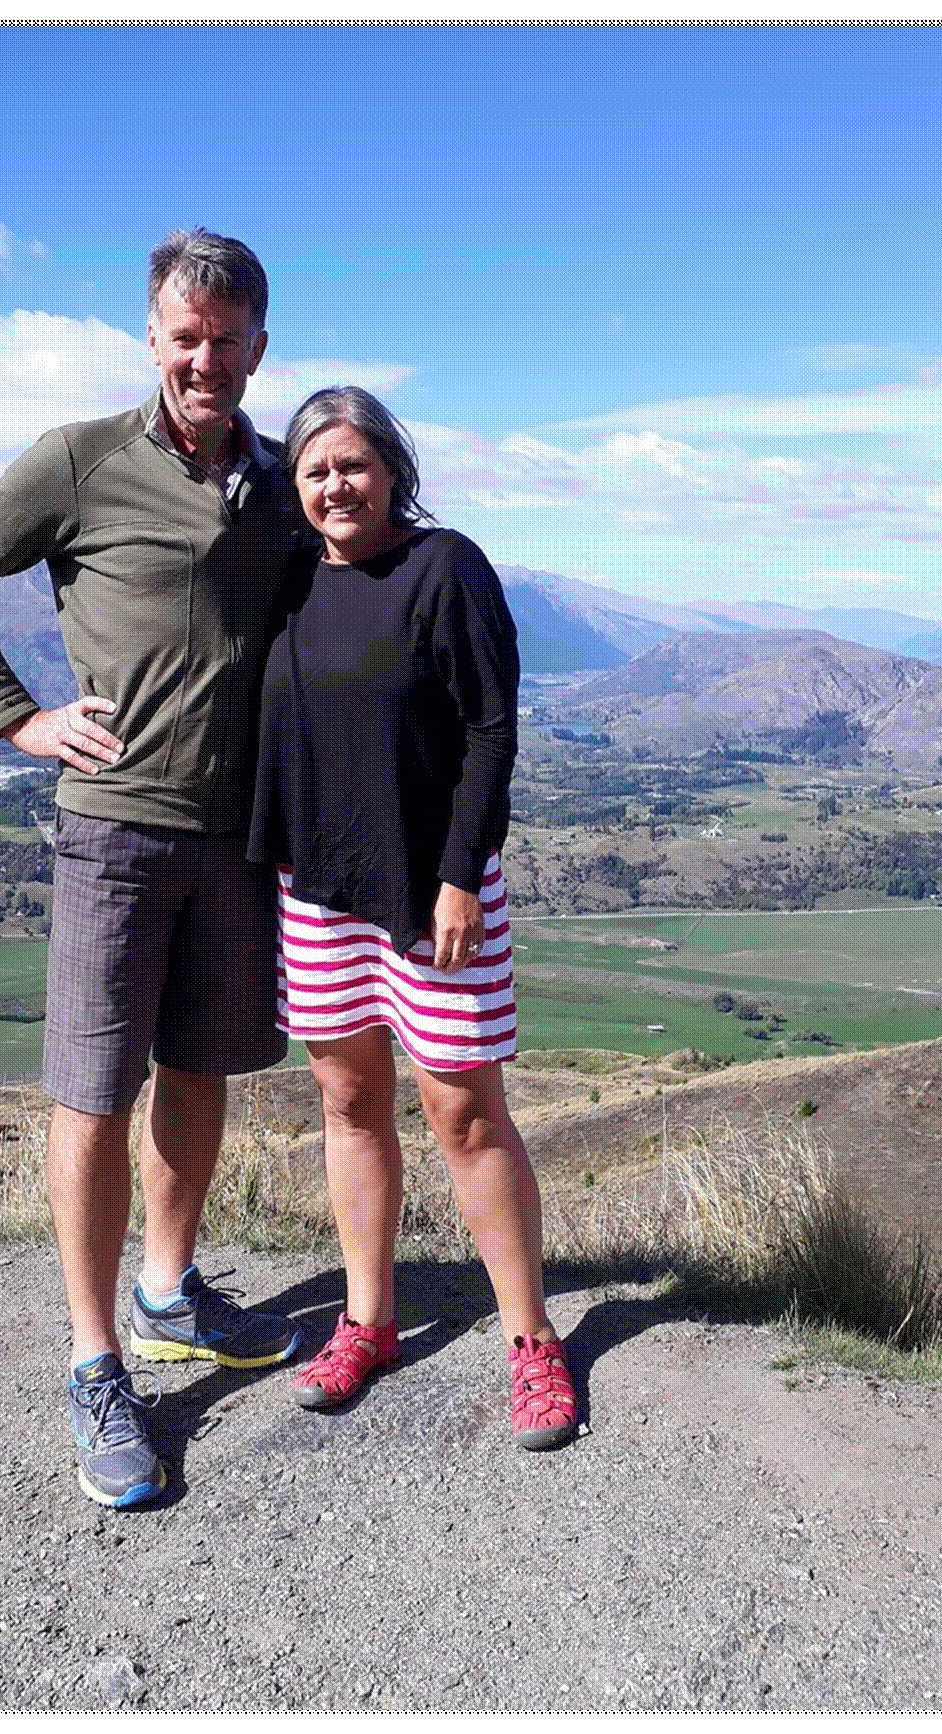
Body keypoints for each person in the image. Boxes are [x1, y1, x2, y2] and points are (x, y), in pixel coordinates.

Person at [0, 229, 303, 1510]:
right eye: (184, 337)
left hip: (238, 839)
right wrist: (15, 719)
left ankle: (169, 1295)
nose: (206, 360)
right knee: (91, 1093)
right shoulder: (79, 460)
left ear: (257, 346)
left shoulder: (281, 480)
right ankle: (93, 1363)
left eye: (227, 340)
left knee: (196, 1073)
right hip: (114, 830)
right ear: (151, 335)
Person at [247, 386, 577, 1450]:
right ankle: (367, 1322)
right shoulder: (289, 579)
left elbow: (489, 732)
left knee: (463, 1115)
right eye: (314, 471)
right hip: (320, 889)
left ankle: (530, 1341)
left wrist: (457, 875)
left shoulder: (445, 568)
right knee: (347, 1104)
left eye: (352, 464)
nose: (335, 485)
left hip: (431, 890)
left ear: (391, 469)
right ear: (293, 489)